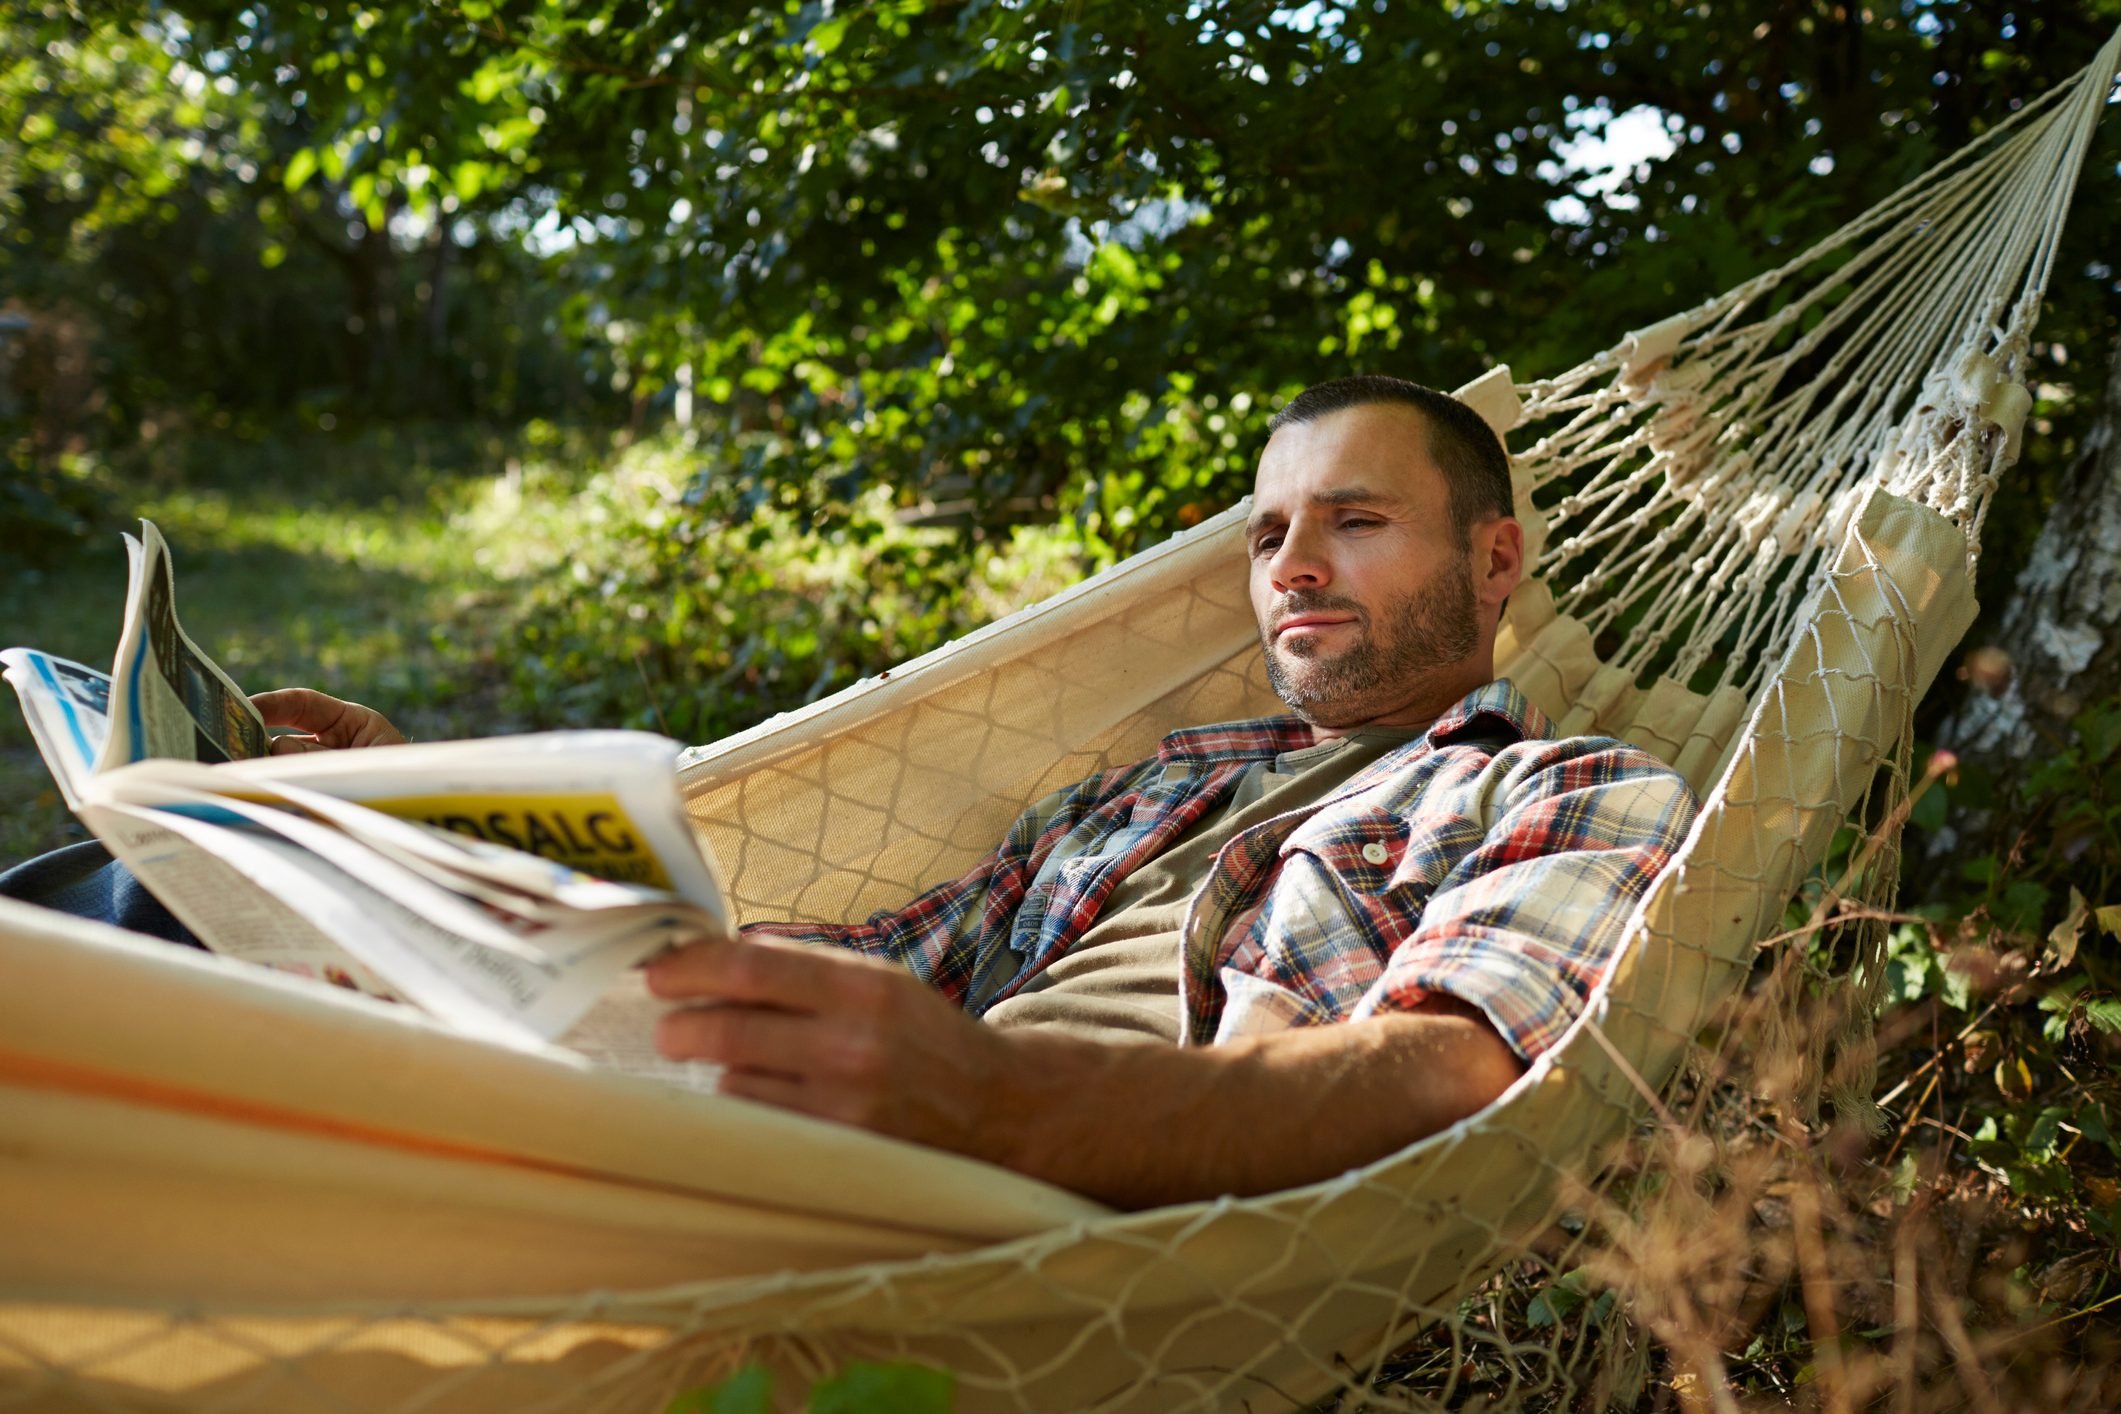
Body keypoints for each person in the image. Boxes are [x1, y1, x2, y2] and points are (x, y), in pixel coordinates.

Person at [1, 376, 1695, 1211]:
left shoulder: (1572, 786)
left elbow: (1446, 1069)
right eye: (1264, 533)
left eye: (1354, 520)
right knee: (155, 897)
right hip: (808, 1121)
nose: (1292, 566)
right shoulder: (1167, 775)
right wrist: (437, 824)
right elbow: (876, 957)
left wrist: (999, 1105)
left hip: (1057, 1205)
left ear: (1492, 560)